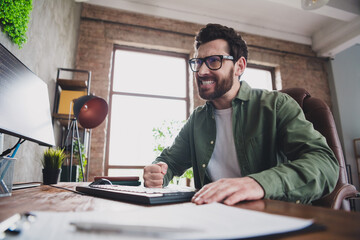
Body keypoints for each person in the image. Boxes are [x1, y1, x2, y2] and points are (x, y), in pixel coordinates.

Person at [143, 23, 339, 206]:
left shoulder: (276, 105)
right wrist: (157, 173)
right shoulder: (198, 119)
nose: (201, 71)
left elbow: (324, 163)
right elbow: (169, 161)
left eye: (213, 61)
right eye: (198, 62)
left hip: (270, 216)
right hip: (213, 217)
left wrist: (258, 184)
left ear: (240, 66)